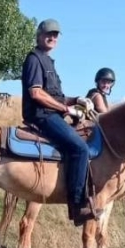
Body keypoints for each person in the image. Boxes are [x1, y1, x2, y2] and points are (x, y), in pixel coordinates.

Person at [21, 19, 98, 225]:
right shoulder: (34, 59)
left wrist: (77, 100)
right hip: (42, 116)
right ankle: (77, 203)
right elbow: (36, 93)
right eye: (48, 34)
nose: (52, 37)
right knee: (80, 148)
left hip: (52, 113)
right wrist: (67, 109)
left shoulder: (48, 62)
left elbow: (56, 96)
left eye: (55, 35)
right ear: (38, 35)